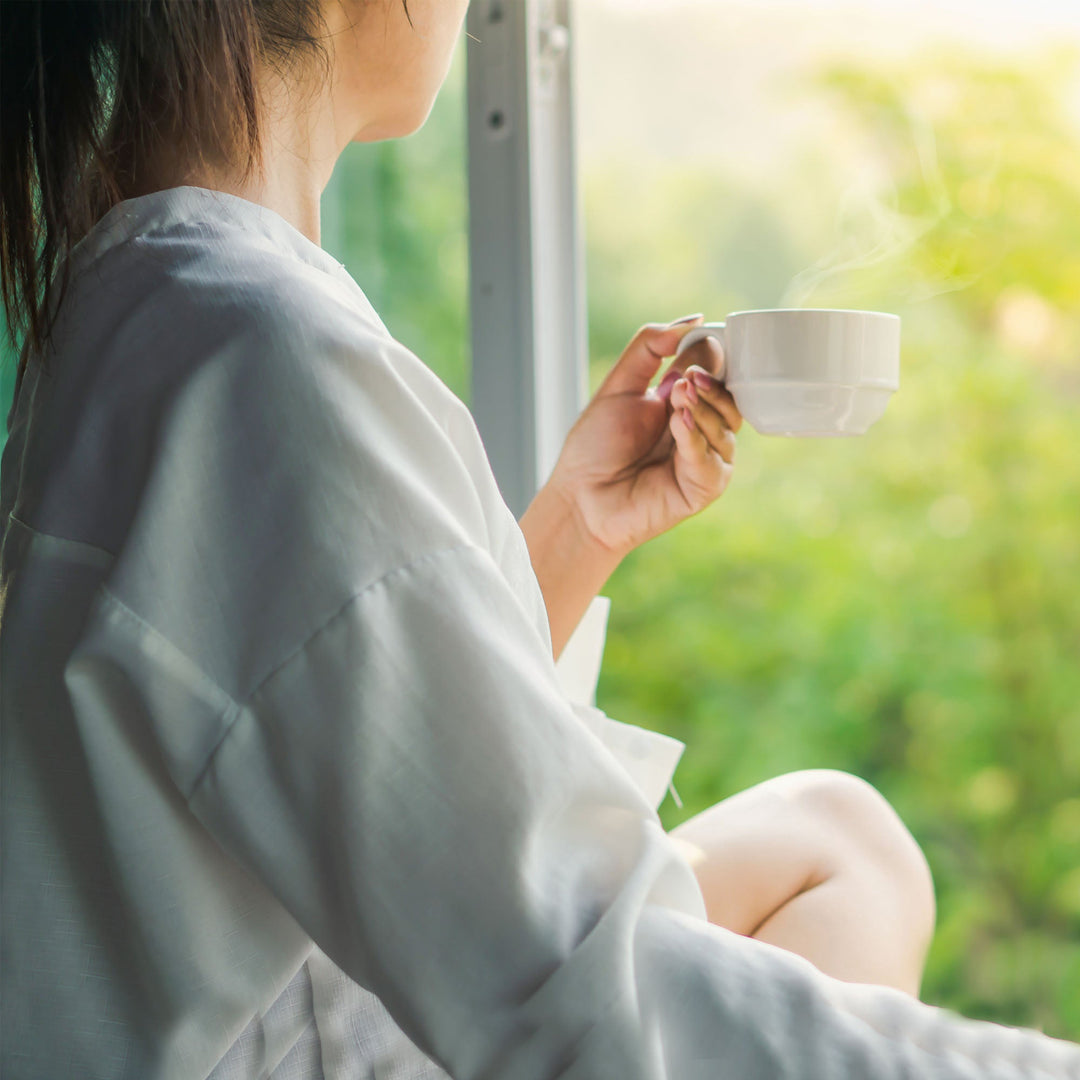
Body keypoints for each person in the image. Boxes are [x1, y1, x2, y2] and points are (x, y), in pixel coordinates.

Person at [0, 2, 1076, 1077]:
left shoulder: (142, 305)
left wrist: (574, 526)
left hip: (296, 1005)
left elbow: (329, 726)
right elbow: (584, 1002)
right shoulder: (258, 367)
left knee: (841, 837)